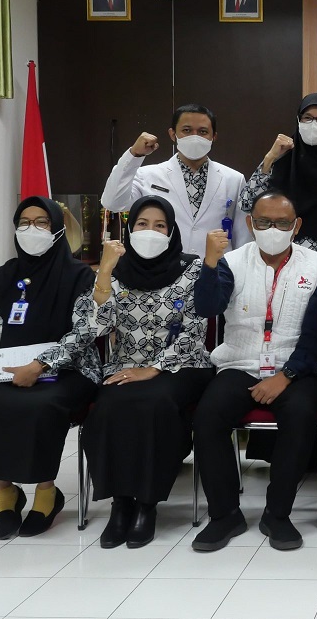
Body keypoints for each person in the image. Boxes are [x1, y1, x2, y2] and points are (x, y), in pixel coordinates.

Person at [0, 197, 102, 540]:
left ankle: (47, 493)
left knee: (39, 406)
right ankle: (6, 493)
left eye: (42, 222)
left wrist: (42, 363)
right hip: (10, 366)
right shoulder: (3, 277)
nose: (32, 230)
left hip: (70, 368)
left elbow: (87, 332)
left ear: (58, 229)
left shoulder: (79, 276)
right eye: (24, 222)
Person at [188, 190, 317, 552]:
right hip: (240, 362)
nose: (273, 229)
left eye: (282, 223)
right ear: (251, 224)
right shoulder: (231, 261)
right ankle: (224, 515)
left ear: (296, 226)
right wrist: (209, 265)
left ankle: (277, 514)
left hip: (297, 368)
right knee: (208, 416)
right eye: (265, 222)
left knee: (300, 414)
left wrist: (286, 376)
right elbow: (207, 307)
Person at [80, 196, 214, 550]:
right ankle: (119, 503)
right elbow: (96, 327)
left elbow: (195, 330)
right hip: (124, 365)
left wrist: (153, 368)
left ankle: (147, 504)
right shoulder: (113, 271)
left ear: (171, 233)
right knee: (107, 408)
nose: (150, 232)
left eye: (159, 226)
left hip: (182, 365)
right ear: (129, 228)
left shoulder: (192, 268)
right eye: (142, 224)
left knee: (153, 404)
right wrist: (105, 272)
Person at [101, 103, 251, 257]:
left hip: (217, 270)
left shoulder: (234, 179)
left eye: (203, 132)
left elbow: (243, 235)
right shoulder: (147, 175)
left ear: (214, 137)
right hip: (166, 271)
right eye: (187, 130)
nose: (195, 137)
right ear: (173, 134)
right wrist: (134, 155)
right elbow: (113, 202)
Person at [239, 93, 317, 262]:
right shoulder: (281, 165)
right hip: (280, 262)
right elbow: (246, 203)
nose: (313, 124)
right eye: (307, 118)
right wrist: (269, 158)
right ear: (298, 120)